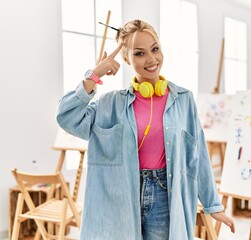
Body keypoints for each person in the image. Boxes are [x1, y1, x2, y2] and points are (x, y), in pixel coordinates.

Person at [57, 19, 235, 240]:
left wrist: (212, 204)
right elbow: (66, 116)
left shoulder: (183, 100)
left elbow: (197, 156)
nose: (151, 59)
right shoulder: (109, 104)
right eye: (140, 53)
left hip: (164, 196)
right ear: (125, 58)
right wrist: (94, 75)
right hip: (119, 197)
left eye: (155, 49)